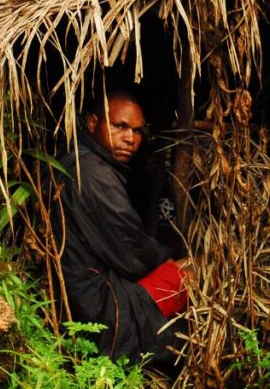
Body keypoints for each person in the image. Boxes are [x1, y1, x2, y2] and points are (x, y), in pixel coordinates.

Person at [53, 90, 189, 363]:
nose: (130, 138)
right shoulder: (94, 173)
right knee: (191, 274)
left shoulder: (80, 162)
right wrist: (172, 261)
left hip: (81, 295)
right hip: (98, 307)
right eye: (120, 126)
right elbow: (134, 253)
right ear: (93, 122)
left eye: (138, 131)